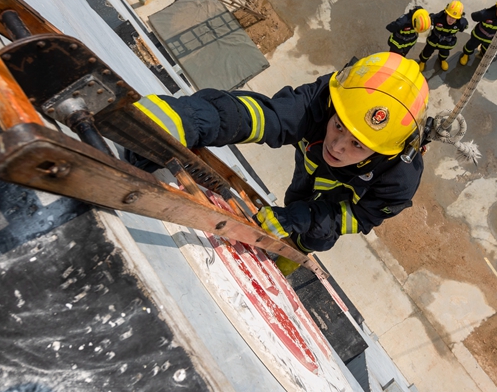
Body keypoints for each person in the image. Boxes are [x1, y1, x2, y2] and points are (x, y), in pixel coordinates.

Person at [132, 52, 430, 274]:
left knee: (317, 235)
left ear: (382, 153)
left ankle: (291, 260)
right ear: (334, 107)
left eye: (357, 145)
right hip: (311, 169)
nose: (337, 146)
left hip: (342, 199)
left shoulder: (399, 178)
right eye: (339, 126)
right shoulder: (324, 102)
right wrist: (188, 118)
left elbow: (358, 217)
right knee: (297, 196)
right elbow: (264, 116)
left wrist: (299, 218)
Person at [459, 0, 497, 66]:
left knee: (487, 49)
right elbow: (473, 16)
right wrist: (481, 14)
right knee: (470, 46)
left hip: (490, 40)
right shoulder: (486, 14)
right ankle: (466, 54)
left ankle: (482, 54)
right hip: (478, 36)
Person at [418, 1, 468, 71]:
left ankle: (442, 60)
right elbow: (428, 19)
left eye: (454, 18)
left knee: (444, 53)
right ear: (446, 13)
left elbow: (465, 27)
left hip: (447, 43)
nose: (451, 20)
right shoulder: (437, 18)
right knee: (427, 52)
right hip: (434, 40)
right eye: (449, 16)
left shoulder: (461, 23)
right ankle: (423, 61)